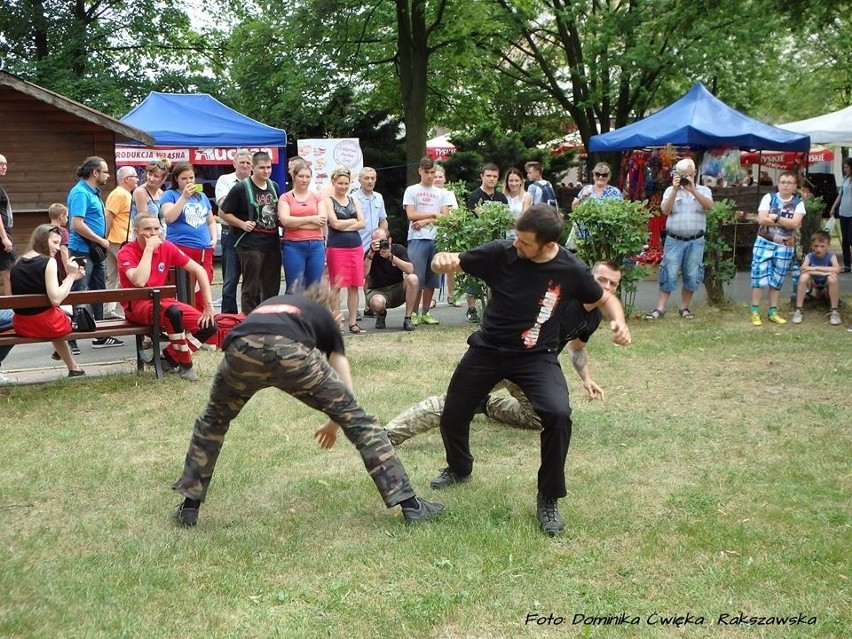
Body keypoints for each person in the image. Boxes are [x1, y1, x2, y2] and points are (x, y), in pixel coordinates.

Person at [428, 205, 631, 535]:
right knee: (453, 412)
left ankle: (548, 497)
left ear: (548, 245)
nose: (516, 245)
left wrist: (619, 322)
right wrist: (442, 259)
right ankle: (459, 467)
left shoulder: (570, 268)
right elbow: (452, 259)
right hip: (488, 349)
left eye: (524, 242)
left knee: (558, 414)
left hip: (536, 356)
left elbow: (606, 299)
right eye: (516, 238)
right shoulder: (501, 252)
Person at [169, 285, 445, 528]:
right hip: (291, 351)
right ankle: (410, 504)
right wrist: (336, 421)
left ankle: (189, 506)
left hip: (242, 347)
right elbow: (343, 379)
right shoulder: (323, 317)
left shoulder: (277, 303)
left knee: (213, 422)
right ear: (330, 308)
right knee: (361, 422)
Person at [385, 260, 622, 445]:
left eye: (612, 284)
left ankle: (486, 404)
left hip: (533, 369)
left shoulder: (593, 316)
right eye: (601, 280)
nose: (606, 287)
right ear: (588, 278)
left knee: (541, 418)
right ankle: (387, 435)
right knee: (454, 405)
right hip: (501, 356)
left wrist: (587, 379)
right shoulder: (561, 295)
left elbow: (577, 347)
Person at [117, 213, 217, 381]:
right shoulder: (126, 252)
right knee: (173, 312)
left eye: (157, 229)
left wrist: (208, 305)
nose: (153, 234)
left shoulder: (167, 246)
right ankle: (186, 365)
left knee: (209, 325)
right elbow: (140, 281)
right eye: (147, 229)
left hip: (164, 302)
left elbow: (199, 270)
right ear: (136, 232)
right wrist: (149, 249)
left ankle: (169, 358)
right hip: (138, 306)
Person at [10, 224, 85, 377]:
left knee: (54, 314)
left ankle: (74, 368)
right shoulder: (48, 262)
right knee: (65, 313)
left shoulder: (18, 262)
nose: (58, 248)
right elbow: (56, 298)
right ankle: (69, 362)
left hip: (22, 325)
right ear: (43, 240)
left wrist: (72, 278)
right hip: (49, 325)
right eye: (55, 243)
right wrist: (71, 275)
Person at [645, 158, 713, 320]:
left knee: (692, 273)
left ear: (694, 173)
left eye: (688, 175)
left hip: (696, 240)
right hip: (674, 240)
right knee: (668, 272)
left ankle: (685, 308)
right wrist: (675, 190)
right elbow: (665, 210)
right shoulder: (670, 190)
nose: (684, 178)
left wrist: (693, 191)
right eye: (682, 175)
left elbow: (709, 206)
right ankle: (660, 309)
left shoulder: (704, 190)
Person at [67, 156, 124, 349]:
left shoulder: (93, 192)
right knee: (79, 293)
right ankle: (72, 339)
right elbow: (77, 224)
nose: (108, 175)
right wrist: (100, 240)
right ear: (95, 172)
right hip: (82, 250)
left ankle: (101, 334)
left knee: (99, 290)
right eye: (106, 171)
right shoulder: (80, 193)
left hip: (95, 250)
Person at [219, 151, 282, 314]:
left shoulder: (274, 186)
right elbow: (223, 212)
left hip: (272, 243)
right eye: (262, 168)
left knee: (271, 286)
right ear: (253, 167)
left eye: (269, 167)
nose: (266, 171)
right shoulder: (241, 188)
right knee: (251, 287)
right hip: (250, 244)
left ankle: (268, 320)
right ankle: (250, 323)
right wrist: (242, 223)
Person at [749, 170, 805, 326]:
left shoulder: (798, 204)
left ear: (795, 186)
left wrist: (777, 217)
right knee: (758, 277)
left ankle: (773, 311)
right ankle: (755, 311)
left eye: (789, 182)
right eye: (783, 182)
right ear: (778, 184)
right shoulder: (769, 198)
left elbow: (795, 224)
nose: (785, 185)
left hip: (784, 247)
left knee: (777, 278)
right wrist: (785, 222)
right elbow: (762, 219)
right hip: (764, 243)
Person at [160, 162, 217, 313]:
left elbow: (210, 220)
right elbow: (169, 217)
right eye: (184, 178)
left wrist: (214, 237)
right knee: (184, 289)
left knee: (202, 287)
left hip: (204, 249)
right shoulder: (170, 194)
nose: (189, 181)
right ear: (176, 179)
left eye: (191, 177)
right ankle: (186, 320)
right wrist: (183, 197)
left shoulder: (202, 196)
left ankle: (200, 320)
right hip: (181, 247)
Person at [321, 166, 366, 334]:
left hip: (355, 247)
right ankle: (336, 321)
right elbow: (334, 223)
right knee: (336, 285)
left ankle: (353, 323)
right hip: (336, 247)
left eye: (346, 183)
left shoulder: (354, 200)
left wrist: (345, 225)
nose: (343, 186)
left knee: (354, 285)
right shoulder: (328, 201)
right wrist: (352, 221)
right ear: (333, 182)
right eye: (340, 183)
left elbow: (363, 223)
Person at [404, 157, 448, 325]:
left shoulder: (441, 193)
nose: (430, 176)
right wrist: (432, 215)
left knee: (432, 278)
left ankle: (426, 312)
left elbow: (445, 218)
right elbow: (411, 214)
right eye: (427, 172)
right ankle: (413, 312)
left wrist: (427, 221)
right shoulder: (412, 190)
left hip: (436, 238)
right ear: (420, 171)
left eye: (432, 173)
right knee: (417, 277)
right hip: (417, 238)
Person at [278, 161, 326, 293]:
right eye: (301, 176)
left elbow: (322, 220)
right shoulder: (285, 198)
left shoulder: (317, 197)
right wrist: (312, 219)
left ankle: (310, 314)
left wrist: (296, 223)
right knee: (294, 288)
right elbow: (286, 221)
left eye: (307, 177)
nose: (304, 180)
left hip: (316, 245)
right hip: (294, 246)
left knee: (314, 288)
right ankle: (292, 314)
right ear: (294, 177)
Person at [215, 150, 253, 313]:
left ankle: (250, 316)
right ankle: (228, 319)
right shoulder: (224, 180)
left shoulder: (259, 181)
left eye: (248, 163)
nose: (245, 165)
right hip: (230, 232)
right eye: (242, 162)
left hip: (252, 234)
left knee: (252, 279)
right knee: (230, 279)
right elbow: (224, 206)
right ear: (234, 164)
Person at [364, 228, 418, 331]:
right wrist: (371, 254)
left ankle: (408, 318)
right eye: (376, 242)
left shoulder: (398, 249)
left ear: (389, 240)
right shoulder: (370, 253)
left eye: (382, 241)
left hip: (398, 288)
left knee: (413, 278)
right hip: (378, 290)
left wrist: (391, 257)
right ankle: (381, 314)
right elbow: (363, 275)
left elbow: (410, 269)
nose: (380, 244)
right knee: (377, 302)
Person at [352, 167, 388, 317]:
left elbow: (383, 220)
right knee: (355, 278)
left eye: (373, 178)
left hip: (374, 243)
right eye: (366, 178)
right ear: (360, 180)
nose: (370, 181)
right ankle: (354, 309)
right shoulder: (352, 198)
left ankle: (368, 306)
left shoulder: (378, 197)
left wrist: (383, 235)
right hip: (357, 242)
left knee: (371, 276)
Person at [103, 166, 139, 319]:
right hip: (119, 240)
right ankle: (134, 308)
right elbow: (109, 216)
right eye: (135, 176)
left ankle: (107, 311)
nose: (137, 179)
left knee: (113, 275)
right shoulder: (120, 194)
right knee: (130, 273)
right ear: (126, 179)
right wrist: (103, 237)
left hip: (117, 239)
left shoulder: (123, 194)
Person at [791, 231, 842, 326]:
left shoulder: (831, 256)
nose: (819, 249)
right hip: (813, 282)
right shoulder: (809, 256)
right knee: (803, 277)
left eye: (822, 246)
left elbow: (837, 269)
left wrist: (814, 268)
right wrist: (824, 271)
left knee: (833, 278)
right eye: (816, 246)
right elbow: (803, 270)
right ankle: (799, 309)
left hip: (826, 282)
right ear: (812, 246)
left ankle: (834, 311)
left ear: (828, 246)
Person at [433, 165, 460, 307]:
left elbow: (454, 213)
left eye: (440, 177)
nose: (437, 179)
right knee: (433, 265)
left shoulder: (449, 194)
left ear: (445, 178)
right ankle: (432, 298)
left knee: (450, 265)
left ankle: (451, 295)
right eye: (435, 176)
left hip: (447, 232)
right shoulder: (429, 193)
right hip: (432, 232)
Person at [827, 157, 852, 273]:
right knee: (845, 240)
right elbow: (840, 195)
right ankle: (847, 265)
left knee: (850, 237)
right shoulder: (845, 178)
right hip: (843, 212)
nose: (844, 169)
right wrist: (833, 207)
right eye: (844, 167)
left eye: (846, 167)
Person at [132, 158, 169, 231]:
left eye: (156, 176)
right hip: (144, 235)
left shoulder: (160, 192)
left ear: (163, 179)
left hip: (159, 233)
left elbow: (163, 218)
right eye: (149, 174)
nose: (151, 178)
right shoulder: (141, 192)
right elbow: (144, 220)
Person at [0, 153, 18, 295]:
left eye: (5, 164)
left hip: (4, 232)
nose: (4, 167)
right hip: (2, 233)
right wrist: (4, 237)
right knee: (9, 272)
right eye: (0, 164)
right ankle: (10, 309)